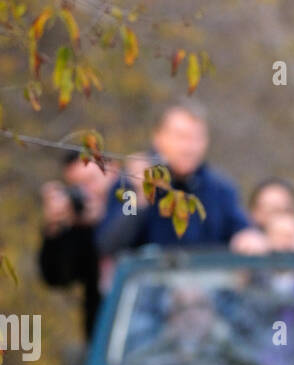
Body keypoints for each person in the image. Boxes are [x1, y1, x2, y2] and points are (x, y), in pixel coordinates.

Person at [97, 101, 255, 254]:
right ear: (158, 137)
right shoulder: (131, 183)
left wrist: (248, 239)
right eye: (181, 137)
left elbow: (242, 231)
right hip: (150, 279)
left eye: (197, 138)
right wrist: (141, 197)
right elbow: (110, 244)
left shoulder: (220, 190)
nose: (189, 147)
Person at [38, 150, 118, 337]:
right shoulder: (80, 228)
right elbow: (56, 278)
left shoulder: (134, 204)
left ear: (114, 171)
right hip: (102, 334)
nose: (86, 193)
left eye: (91, 180)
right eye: (77, 187)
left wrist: (107, 219)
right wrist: (54, 229)